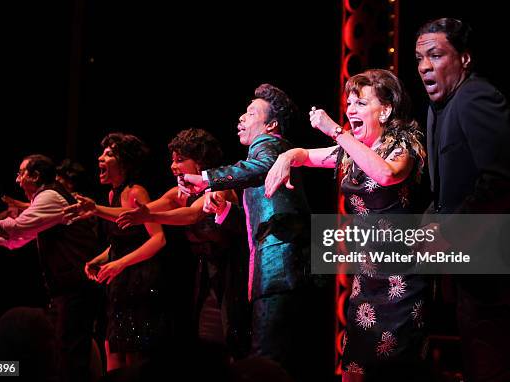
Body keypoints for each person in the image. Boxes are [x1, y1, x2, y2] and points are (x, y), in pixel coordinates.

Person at [264, 69, 429, 381]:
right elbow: (307, 156)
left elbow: (386, 175)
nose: (351, 109)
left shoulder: (404, 143)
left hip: (402, 280)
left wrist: (337, 132)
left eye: (360, 103)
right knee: (355, 366)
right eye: (348, 103)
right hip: (366, 281)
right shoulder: (350, 151)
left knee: (395, 369)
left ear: (386, 109)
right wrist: (287, 157)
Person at [178, 84, 323, 381]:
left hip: (280, 269)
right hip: (286, 269)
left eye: (251, 112)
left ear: (270, 125)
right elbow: (260, 215)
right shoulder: (267, 154)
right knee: (282, 360)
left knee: (267, 362)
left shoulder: (268, 145)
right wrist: (223, 211)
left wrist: (207, 179)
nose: (242, 118)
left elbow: (262, 166)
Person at [65, 129, 249, 362]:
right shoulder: (178, 193)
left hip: (233, 272)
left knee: (235, 340)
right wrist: (97, 209)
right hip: (206, 275)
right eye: (172, 160)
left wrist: (148, 217)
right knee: (209, 342)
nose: (173, 166)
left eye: (180, 160)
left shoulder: (219, 187)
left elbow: (191, 215)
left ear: (200, 162)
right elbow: (140, 211)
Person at [415, 18, 510, 381]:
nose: (424, 67)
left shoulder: (476, 97)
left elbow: (501, 182)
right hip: (472, 278)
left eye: (435, 55)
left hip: (498, 280)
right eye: (419, 58)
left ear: (464, 59)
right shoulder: (441, 108)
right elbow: (450, 190)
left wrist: (449, 234)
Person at [0, 154, 102, 382]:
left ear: (36, 176)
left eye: (21, 173)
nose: (17, 180)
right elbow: (15, 240)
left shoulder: (50, 196)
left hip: (75, 288)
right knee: (64, 356)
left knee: (70, 359)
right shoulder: (48, 198)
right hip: (67, 289)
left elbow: (17, 228)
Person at [79, 133, 168, 372]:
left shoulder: (136, 192)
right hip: (120, 282)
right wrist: (98, 260)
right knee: (114, 348)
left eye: (108, 154)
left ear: (125, 163)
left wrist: (120, 264)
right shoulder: (112, 194)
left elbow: (158, 239)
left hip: (139, 281)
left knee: (134, 357)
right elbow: (122, 242)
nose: (100, 158)